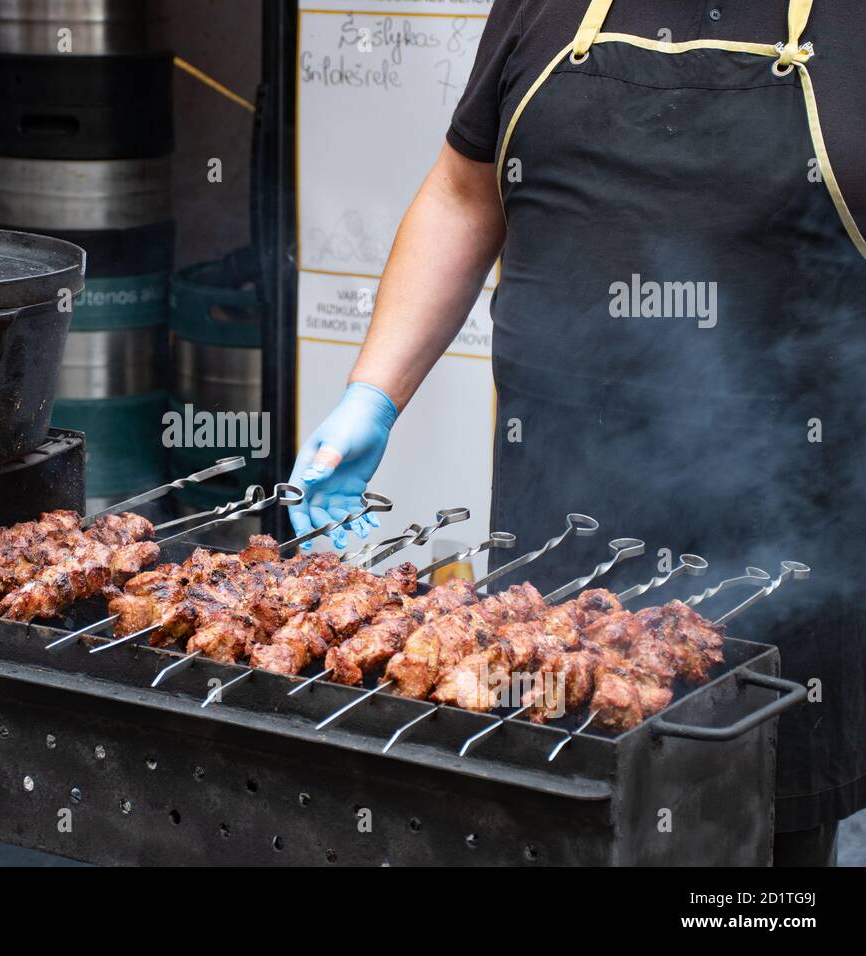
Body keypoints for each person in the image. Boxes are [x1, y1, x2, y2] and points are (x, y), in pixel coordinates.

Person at [288, 0, 863, 865]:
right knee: (544, 825)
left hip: (785, 568)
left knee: (751, 868)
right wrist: (372, 395)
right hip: (558, 552)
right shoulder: (543, 5)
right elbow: (460, 192)